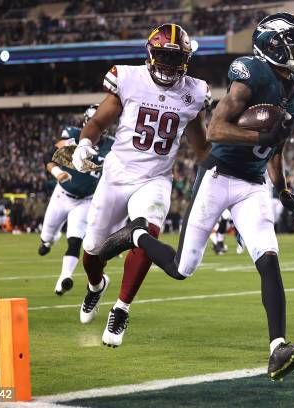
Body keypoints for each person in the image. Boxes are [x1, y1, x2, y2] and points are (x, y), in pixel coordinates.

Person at [98, 13, 294, 381]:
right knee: (183, 269)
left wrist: (281, 187)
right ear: (272, 43)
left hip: (252, 184)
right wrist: (256, 138)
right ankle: (135, 235)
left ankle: (277, 348)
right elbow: (216, 129)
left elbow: (277, 142)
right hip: (217, 176)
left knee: (269, 257)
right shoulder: (252, 73)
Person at [70, 23, 210, 347]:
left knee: (148, 231)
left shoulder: (195, 92)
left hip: (155, 178)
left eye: (175, 59)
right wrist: (84, 145)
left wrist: (225, 163)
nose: (168, 65)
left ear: (186, 60)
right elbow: (96, 123)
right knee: (91, 251)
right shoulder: (128, 78)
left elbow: (201, 147)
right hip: (116, 175)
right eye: (162, 56)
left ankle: (121, 308)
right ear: (150, 53)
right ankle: (95, 286)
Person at [38, 105, 114, 296]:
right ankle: (48, 241)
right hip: (62, 195)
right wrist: (58, 172)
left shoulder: (113, 145)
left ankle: (64, 277)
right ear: (86, 123)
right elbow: (49, 156)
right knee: (46, 236)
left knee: (75, 239)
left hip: (86, 200)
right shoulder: (72, 136)